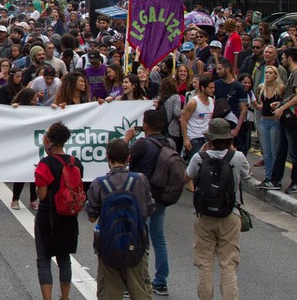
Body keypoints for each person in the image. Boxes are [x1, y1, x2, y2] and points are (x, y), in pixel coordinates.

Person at [185, 118, 250, 300]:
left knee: (205, 264)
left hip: (203, 215)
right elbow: (247, 174)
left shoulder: (200, 158)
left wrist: (202, 152)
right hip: (230, 214)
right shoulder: (237, 157)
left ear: (210, 139)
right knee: (228, 264)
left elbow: (187, 176)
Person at [85, 138, 154, 300]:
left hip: (108, 246)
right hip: (136, 243)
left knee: (109, 292)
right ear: (128, 157)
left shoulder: (99, 183)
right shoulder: (140, 180)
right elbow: (149, 210)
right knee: (140, 290)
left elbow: (91, 217)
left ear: (107, 157)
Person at [124, 108, 173, 296]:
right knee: (158, 238)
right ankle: (161, 281)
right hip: (161, 195)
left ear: (145, 125)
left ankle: (136, 281)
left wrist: (128, 138)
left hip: (141, 197)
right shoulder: (169, 142)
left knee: (137, 238)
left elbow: (120, 158)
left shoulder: (142, 144)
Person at [34, 121, 84, 300]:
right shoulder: (75, 162)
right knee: (64, 258)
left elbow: (42, 195)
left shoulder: (45, 163)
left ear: (49, 140)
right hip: (69, 217)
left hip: (48, 217)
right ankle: (65, 297)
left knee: (44, 259)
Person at [263, 47, 297, 193]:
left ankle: (296, 182)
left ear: (289, 58)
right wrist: (280, 104)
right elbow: (292, 95)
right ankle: (275, 180)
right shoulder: (292, 74)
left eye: (283, 57)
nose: (282, 60)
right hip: (285, 117)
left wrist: (282, 108)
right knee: (282, 149)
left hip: (291, 118)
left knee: (294, 150)